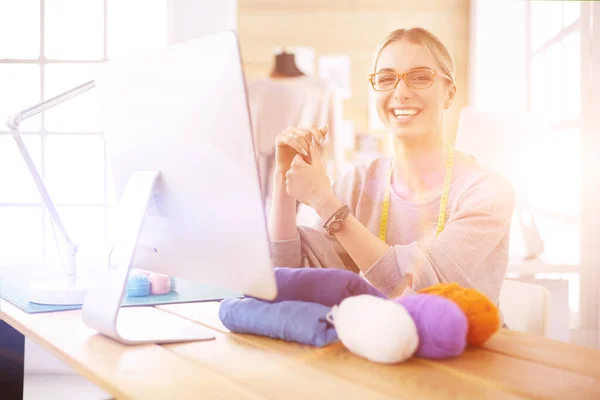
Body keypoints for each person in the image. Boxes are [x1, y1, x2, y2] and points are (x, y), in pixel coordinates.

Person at [267, 27, 516, 305]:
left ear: (449, 94)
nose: (401, 92)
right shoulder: (357, 183)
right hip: (375, 343)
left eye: (420, 77)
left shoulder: (488, 194)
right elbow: (291, 274)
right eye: (386, 78)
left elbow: (417, 290)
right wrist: (283, 176)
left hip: (463, 347)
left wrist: (326, 202)